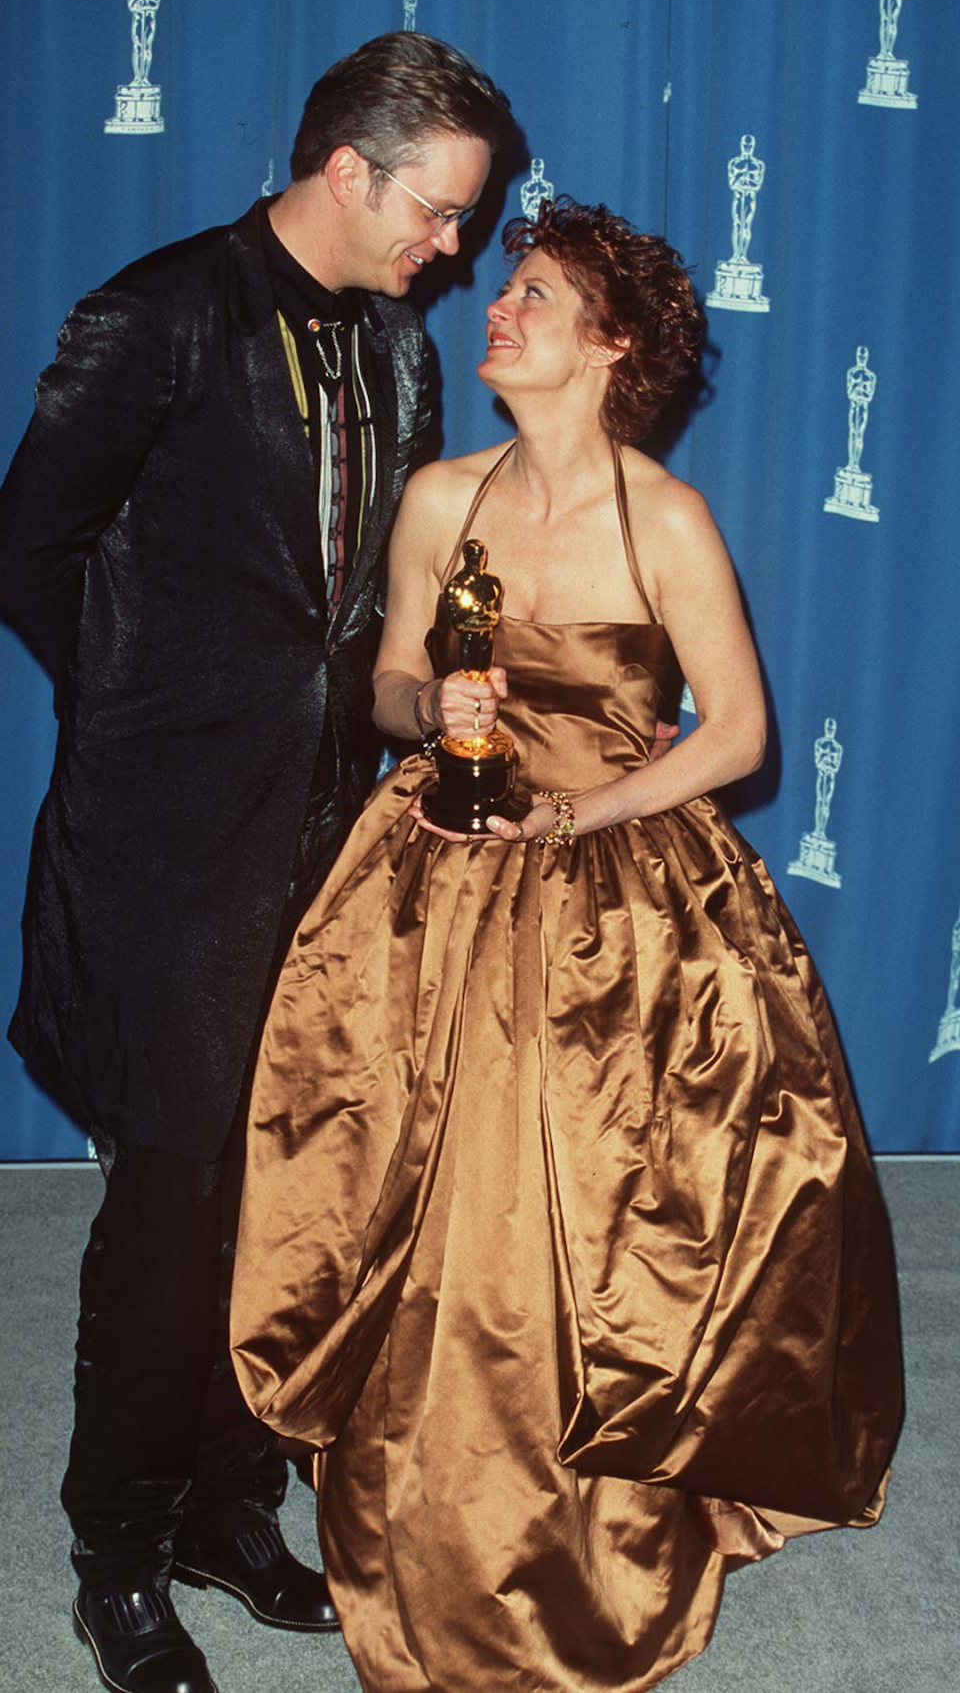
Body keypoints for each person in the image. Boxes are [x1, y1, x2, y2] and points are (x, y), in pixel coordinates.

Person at [231, 198, 904, 1693]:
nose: (499, 308)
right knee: (419, 1190)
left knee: (592, 1205)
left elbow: (735, 735)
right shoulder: (436, 501)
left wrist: (588, 807)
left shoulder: (662, 516)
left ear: (609, 348)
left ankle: (588, 1515)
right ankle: (427, 1498)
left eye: (533, 294)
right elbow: (392, 683)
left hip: (616, 879)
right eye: (505, 288)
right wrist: (432, 716)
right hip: (436, 868)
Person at [0, 32, 516, 1693]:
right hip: (166, 839)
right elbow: (33, 549)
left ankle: (231, 1503)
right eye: (441, 212)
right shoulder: (154, 315)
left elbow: (381, 595)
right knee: (169, 1204)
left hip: (328, 831)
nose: (458, 248)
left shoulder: (401, 348)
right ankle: (116, 1549)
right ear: (349, 171)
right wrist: (152, 701)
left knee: (289, 1195)